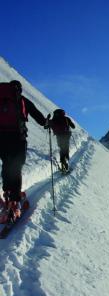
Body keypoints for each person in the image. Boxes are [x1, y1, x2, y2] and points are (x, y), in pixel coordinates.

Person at [0, 80, 47, 222]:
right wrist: (46, 123)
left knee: (7, 164)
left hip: (0, 139)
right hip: (17, 138)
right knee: (16, 167)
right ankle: (15, 202)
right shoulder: (21, 100)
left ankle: (7, 193)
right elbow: (36, 114)